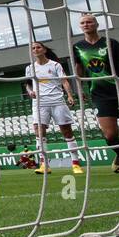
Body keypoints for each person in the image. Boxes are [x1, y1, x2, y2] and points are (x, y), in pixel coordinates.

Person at [25, 41, 84, 175]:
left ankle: (75, 164)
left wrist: (69, 95)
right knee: (39, 132)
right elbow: (28, 84)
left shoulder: (55, 65)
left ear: (44, 50)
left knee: (67, 132)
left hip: (57, 101)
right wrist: (30, 92)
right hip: (39, 104)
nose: (35, 49)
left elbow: (64, 81)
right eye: (33, 48)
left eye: (38, 47)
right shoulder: (30, 68)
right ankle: (44, 164)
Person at [72, 12, 119, 174]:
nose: (86, 24)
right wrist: (79, 88)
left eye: (89, 22)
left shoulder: (110, 42)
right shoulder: (78, 46)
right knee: (110, 134)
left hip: (118, 88)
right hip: (99, 94)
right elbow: (78, 68)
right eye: (83, 23)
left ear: (96, 24)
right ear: (80, 26)